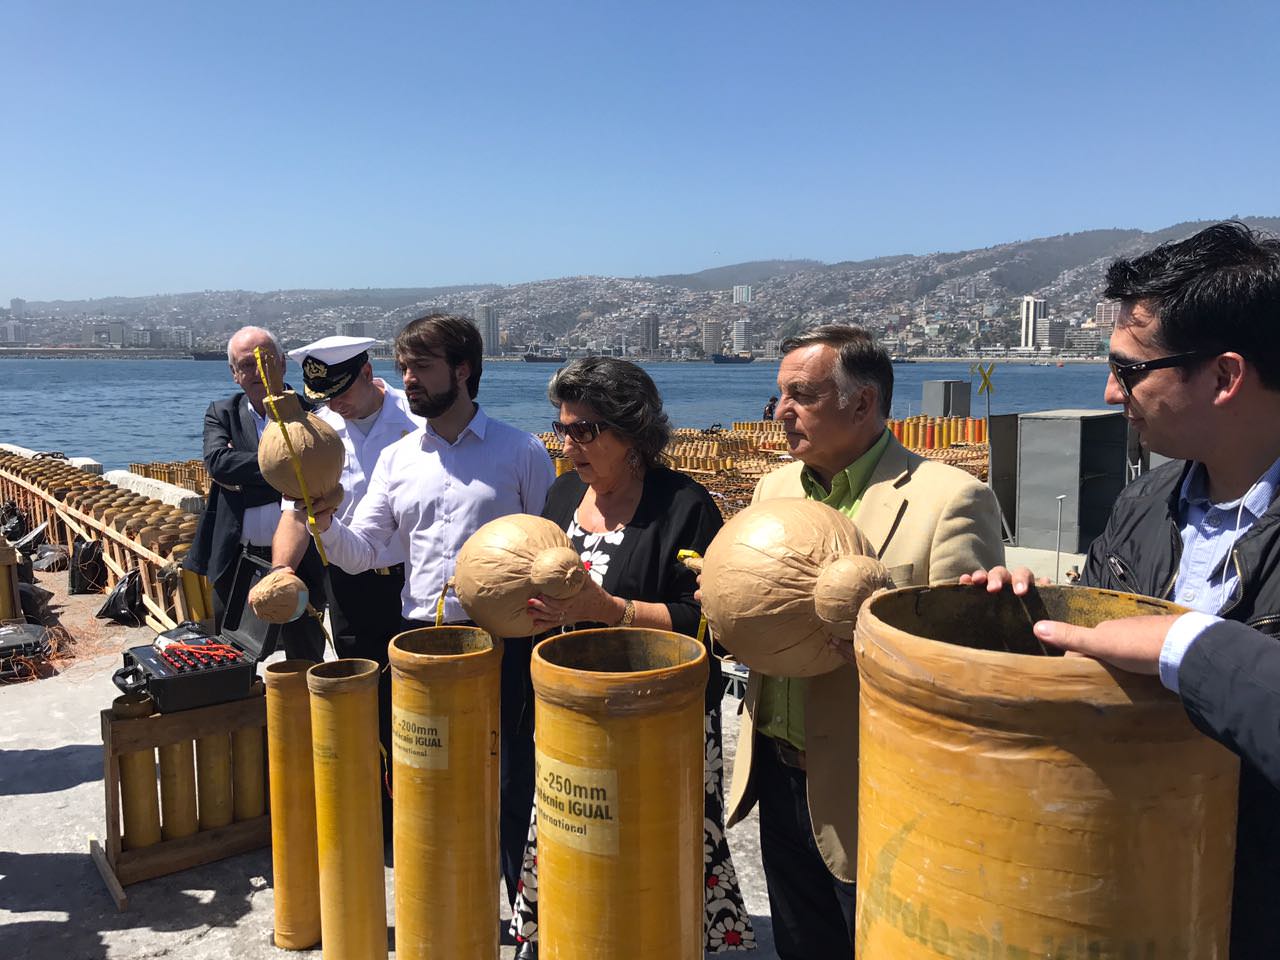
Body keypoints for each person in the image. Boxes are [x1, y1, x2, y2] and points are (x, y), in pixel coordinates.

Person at [964, 222, 1280, 960]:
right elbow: (1092, 656)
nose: (1111, 392)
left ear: (1224, 377)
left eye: (1129, 370)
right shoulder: (1144, 504)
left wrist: (1185, 645)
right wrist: (1031, 617)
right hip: (1126, 896)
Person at [725, 325, 1005, 959]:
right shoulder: (773, 490)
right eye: (779, 395)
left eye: (802, 395)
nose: (781, 411)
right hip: (777, 774)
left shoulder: (951, 500)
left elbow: (970, 660)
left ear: (863, 402)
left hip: (875, 788)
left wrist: (872, 641)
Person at [509, 357, 756, 958]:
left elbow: (708, 624)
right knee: (578, 842)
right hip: (571, 718)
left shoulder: (685, 506)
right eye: (562, 427)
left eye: (584, 430)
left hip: (657, 724)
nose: (567, 444)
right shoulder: (562, 495)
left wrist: (606, 609)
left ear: (633, 431)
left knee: (653, 858)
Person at [309, 312, 554, 905]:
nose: (408, 380)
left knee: (511, 781)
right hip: (420, 640)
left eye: (421, 366)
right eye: (404, 367)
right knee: (430, 779)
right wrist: (322, 522)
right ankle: (449, 913)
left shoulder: (520, 451)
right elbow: (366, 552)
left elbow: (551, 548)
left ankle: (524, 914)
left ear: (463, 370)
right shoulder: (397, 460)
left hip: (504, 642)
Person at [270, 334, 422, 835]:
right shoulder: (318, 434)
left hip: (411, 580)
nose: (335, 404)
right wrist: (281, 569)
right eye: (325, 396)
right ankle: (379, 812)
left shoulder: (417, 422)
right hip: (349, 583)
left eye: (342, 391)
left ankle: (420, 804)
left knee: (415, 697)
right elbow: (296, 513)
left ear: (367, 373)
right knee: (363, 693)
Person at [184, 325, 325, 661]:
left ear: (283, 364)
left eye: (266, 360)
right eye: (247, 365)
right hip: (236, 561)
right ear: (234, 374)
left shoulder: (313, 413)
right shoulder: (222, 413)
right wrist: (288, 471)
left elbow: (317, 468)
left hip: (300, 563)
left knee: (305, 654)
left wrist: (244, 479)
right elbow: (218, 464)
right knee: (233, 656)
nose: (258, 371)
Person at [1032, 614, 1280, 792]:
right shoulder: (1122, 552)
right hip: (1099, 800)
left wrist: (1183, 642)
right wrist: (1031, 608)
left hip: (1232, 834)